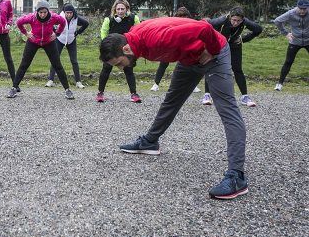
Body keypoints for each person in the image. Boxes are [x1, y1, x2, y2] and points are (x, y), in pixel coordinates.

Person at [100, 17, 248, 200]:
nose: (122, 68)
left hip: (214, 55)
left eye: (119, 63)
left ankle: (237, 176)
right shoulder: (135, 37)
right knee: (171, 101)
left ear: (126, 49)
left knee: (228, 111)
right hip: (189, 59)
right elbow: (181, 24)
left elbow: (204, 27)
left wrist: (212, 50)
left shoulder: (157, 39)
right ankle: (150, 142)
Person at [8, 0, 74, 99]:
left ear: (48, 11)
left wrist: (57, 34)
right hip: (33, 41)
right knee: (24, 64)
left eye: (45, 12)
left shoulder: (53, 17)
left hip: (49, 42)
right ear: (37, 12)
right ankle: (14, 88)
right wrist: (26, 33)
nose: (43, 15)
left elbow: (63, 22)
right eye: (40, 12)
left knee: (57, 65)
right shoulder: (32, 17)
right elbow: (19, 22)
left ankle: (67, 90)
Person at [202, 7, 263, 107]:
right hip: (218, 44)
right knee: (211, 67)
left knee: (237, 69)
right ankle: (207, 95)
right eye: (234, 20)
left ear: (242, 20)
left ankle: (245, 97)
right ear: (230, 17)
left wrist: (244, 39)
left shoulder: (244, 22)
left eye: (238, 21)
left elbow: (258, 29)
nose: (235, 23)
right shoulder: (221, 20)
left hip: (234, 45)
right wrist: (212, 41)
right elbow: (206, 26)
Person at [97, 0, 141, 103]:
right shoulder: (109, 19)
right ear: (115, 9)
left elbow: (138, 32)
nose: (120, 11)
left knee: (129, 70)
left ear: (127, 9)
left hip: (127, 48)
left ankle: (134, 94)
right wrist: (107, 47)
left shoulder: (133, 18)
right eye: (118, 9)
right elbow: (104, 34)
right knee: (106, 69)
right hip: (112, 49)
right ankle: (100, 93)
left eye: (122, 9)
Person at [150, 6, 201, 94]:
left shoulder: (191, 24)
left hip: (185, 47)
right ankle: (156, 84)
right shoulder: (172, 23)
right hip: (172, 46)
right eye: (180, 17)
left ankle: (193, 86)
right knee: (163, 64)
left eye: (184, 17)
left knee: (191, 65)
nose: (182, 19)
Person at [45, 3, 89, 89]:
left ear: (73, 13)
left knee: (74, 61)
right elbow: (50, 23)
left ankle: (78, 82)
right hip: (60, 40)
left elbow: (86, 23)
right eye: (67, 13)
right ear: (64, 12)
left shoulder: (76, 19)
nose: (69, 14)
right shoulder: (59, 18)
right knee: (55, 59)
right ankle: (50, 80)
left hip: (71, 40)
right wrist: (55, 32)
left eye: (70, 13)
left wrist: (78, 32)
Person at [273, 0, 309, 91]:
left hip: (308, 41)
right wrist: (285, 33)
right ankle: (279, 84)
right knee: (288, 61)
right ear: (297, 7)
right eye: (300, 8)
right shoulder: (291, 13)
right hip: (295, 41)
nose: (302, 11)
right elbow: (277, 21)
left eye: (304, 9)